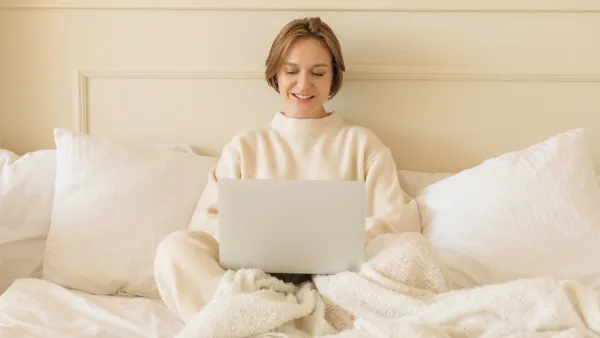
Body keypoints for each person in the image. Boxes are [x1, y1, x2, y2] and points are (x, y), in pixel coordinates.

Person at [153, 16, 420, 323]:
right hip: (252, 284)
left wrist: (351, 240)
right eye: (291, 71)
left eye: (317, 73)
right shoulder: (246, 146)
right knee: (174, 249)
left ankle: (278, 321)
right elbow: (203, 225)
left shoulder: (362, 145)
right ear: (275, 74)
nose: (303, 84)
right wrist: (248, 241)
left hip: (337, 287)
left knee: (413, 251)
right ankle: (262, 314)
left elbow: (400, 223)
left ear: (333, 76)